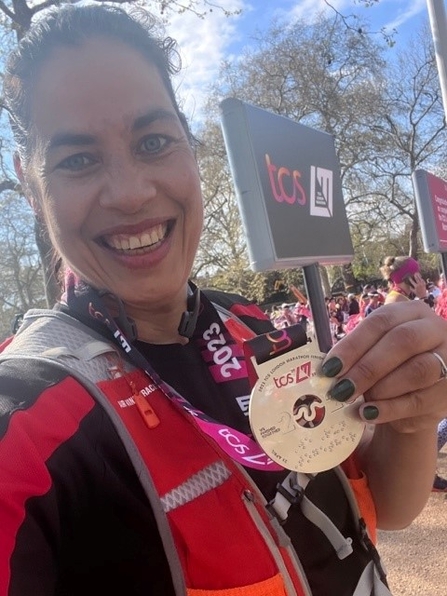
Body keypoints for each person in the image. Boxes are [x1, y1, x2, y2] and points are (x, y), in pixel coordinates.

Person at [2, 5, 447, 595]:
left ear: (190, 147)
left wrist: (413, 421)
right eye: (78, 159)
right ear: (31, 187)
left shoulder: (246, 322)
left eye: (153, 140)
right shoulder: (23, 418)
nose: (132, 193)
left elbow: (384, 508)